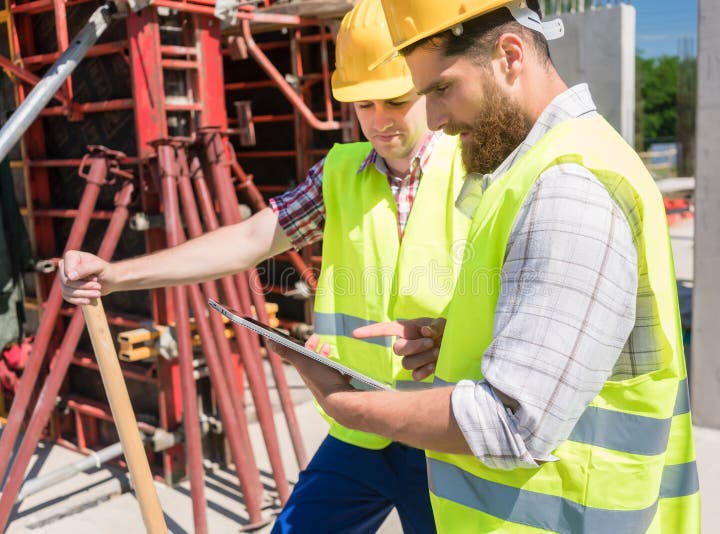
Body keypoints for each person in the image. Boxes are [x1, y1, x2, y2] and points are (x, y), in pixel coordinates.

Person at [277, 1, 701, 532]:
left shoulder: (568, 185)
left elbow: (511, 423)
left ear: (508, 56)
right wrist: (456, 341)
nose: (432, 119)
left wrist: (346, 403)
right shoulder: (538, 169)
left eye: (439, 89)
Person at [60, 0, 468, 531]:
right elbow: (251, 239)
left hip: (441, 433)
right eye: (364, 105)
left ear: (426, 85)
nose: (380, 121)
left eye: (395, 99)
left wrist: (452, 336)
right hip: (360, 432)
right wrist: (117, 275)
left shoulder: (478, 169)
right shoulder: (340, 172)